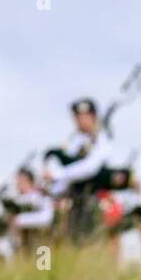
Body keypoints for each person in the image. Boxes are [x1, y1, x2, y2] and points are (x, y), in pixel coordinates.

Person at [42, 97, 112, 242]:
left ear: (93, 116)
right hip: (73, 201)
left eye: (83, 117)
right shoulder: (75, 141)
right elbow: (68, 173)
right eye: (77, 117)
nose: (79, 121)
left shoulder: (102, 138)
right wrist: (54, 191)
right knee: (73, 242)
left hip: (95, 200)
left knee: (90, 243)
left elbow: (90, 167)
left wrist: (56, 174)